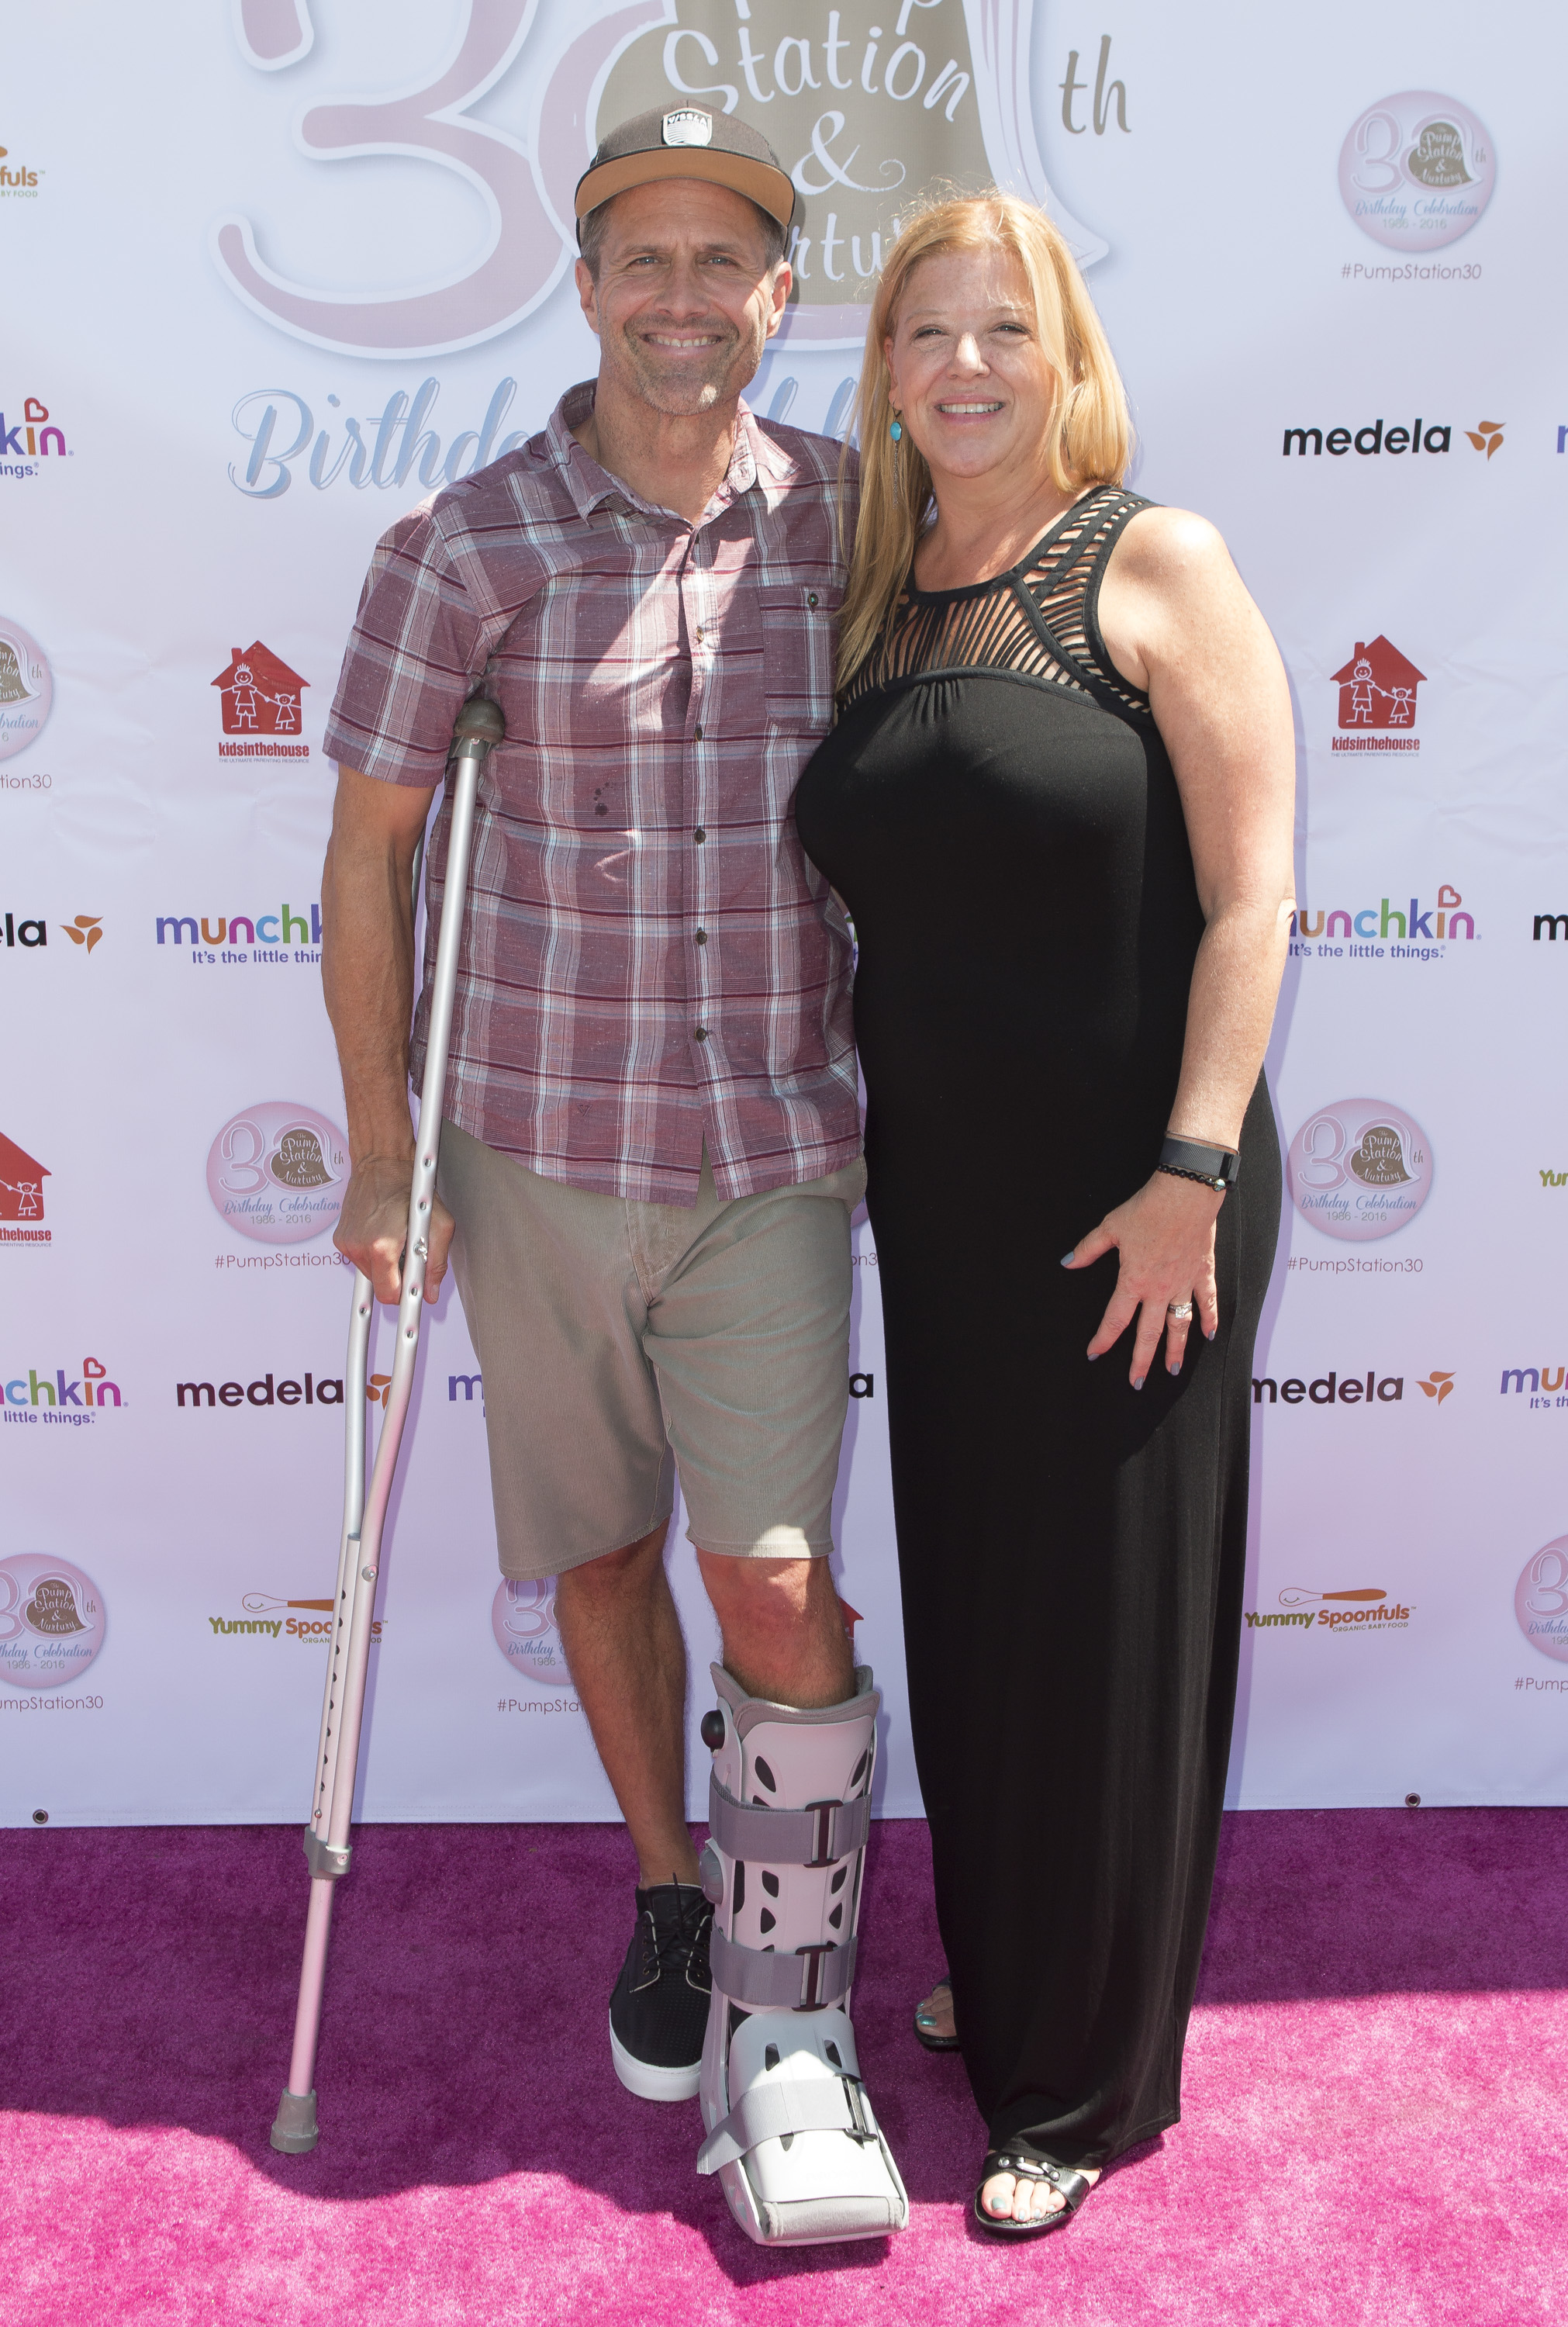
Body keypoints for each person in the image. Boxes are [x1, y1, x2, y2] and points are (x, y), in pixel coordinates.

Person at [319, 107, 907, 2246]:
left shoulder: (849, 520)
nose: (680, 300)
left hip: (772, 1142)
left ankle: (792, 2008)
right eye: (638, 262)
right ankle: (680, 1888)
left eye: (721, 263)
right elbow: (375, 851)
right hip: (540, 1146)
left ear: (779, 291)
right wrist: (387, 1147)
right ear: (583, 287)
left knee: (770, 1575)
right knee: (596, 1553)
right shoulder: (467, 545)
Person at [793, 193, 1295, 2240]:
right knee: (990, 1605)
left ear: (1067, 354)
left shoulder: (1153, 563)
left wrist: (1188, 1172)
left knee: (1104, 1623)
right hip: (948, 1199)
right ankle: (1016, 1977)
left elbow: (1254, 894)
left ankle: (1074, 2084)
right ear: (889, 369)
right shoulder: (887, 591)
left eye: (1008, 326)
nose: (968, 363)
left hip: (1133, 1194)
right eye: (930, 329)